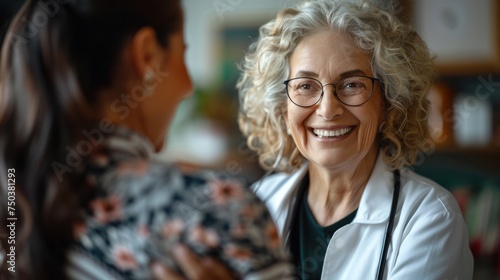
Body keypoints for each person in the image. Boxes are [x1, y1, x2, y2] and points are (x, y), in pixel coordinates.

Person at [0, 0, 292, 279]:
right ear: (147, 55)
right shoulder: (219, 209)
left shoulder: (12, 201)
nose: (189, 86)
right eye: (183, 54)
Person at [236, 0, 474, 279]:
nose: (327, 109)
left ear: (389, 102)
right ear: (282, 108)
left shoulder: (430, 217)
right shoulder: (255, 204)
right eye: (305, 86)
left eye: (352, 85)